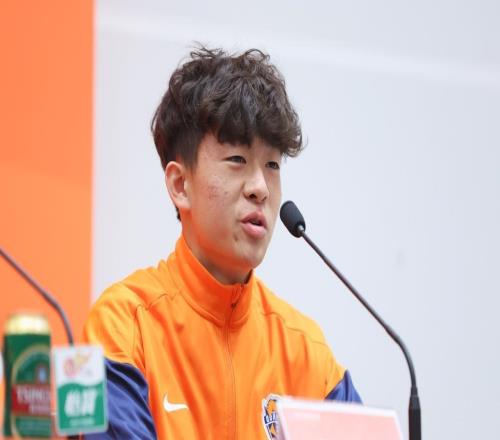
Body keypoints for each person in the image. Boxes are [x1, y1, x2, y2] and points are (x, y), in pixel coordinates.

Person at [83, 46, 361, 440]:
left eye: (272, 165)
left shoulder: (306, 353)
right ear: (180, 184)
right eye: (236, 160)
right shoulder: (124, 326)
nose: (260, 188)